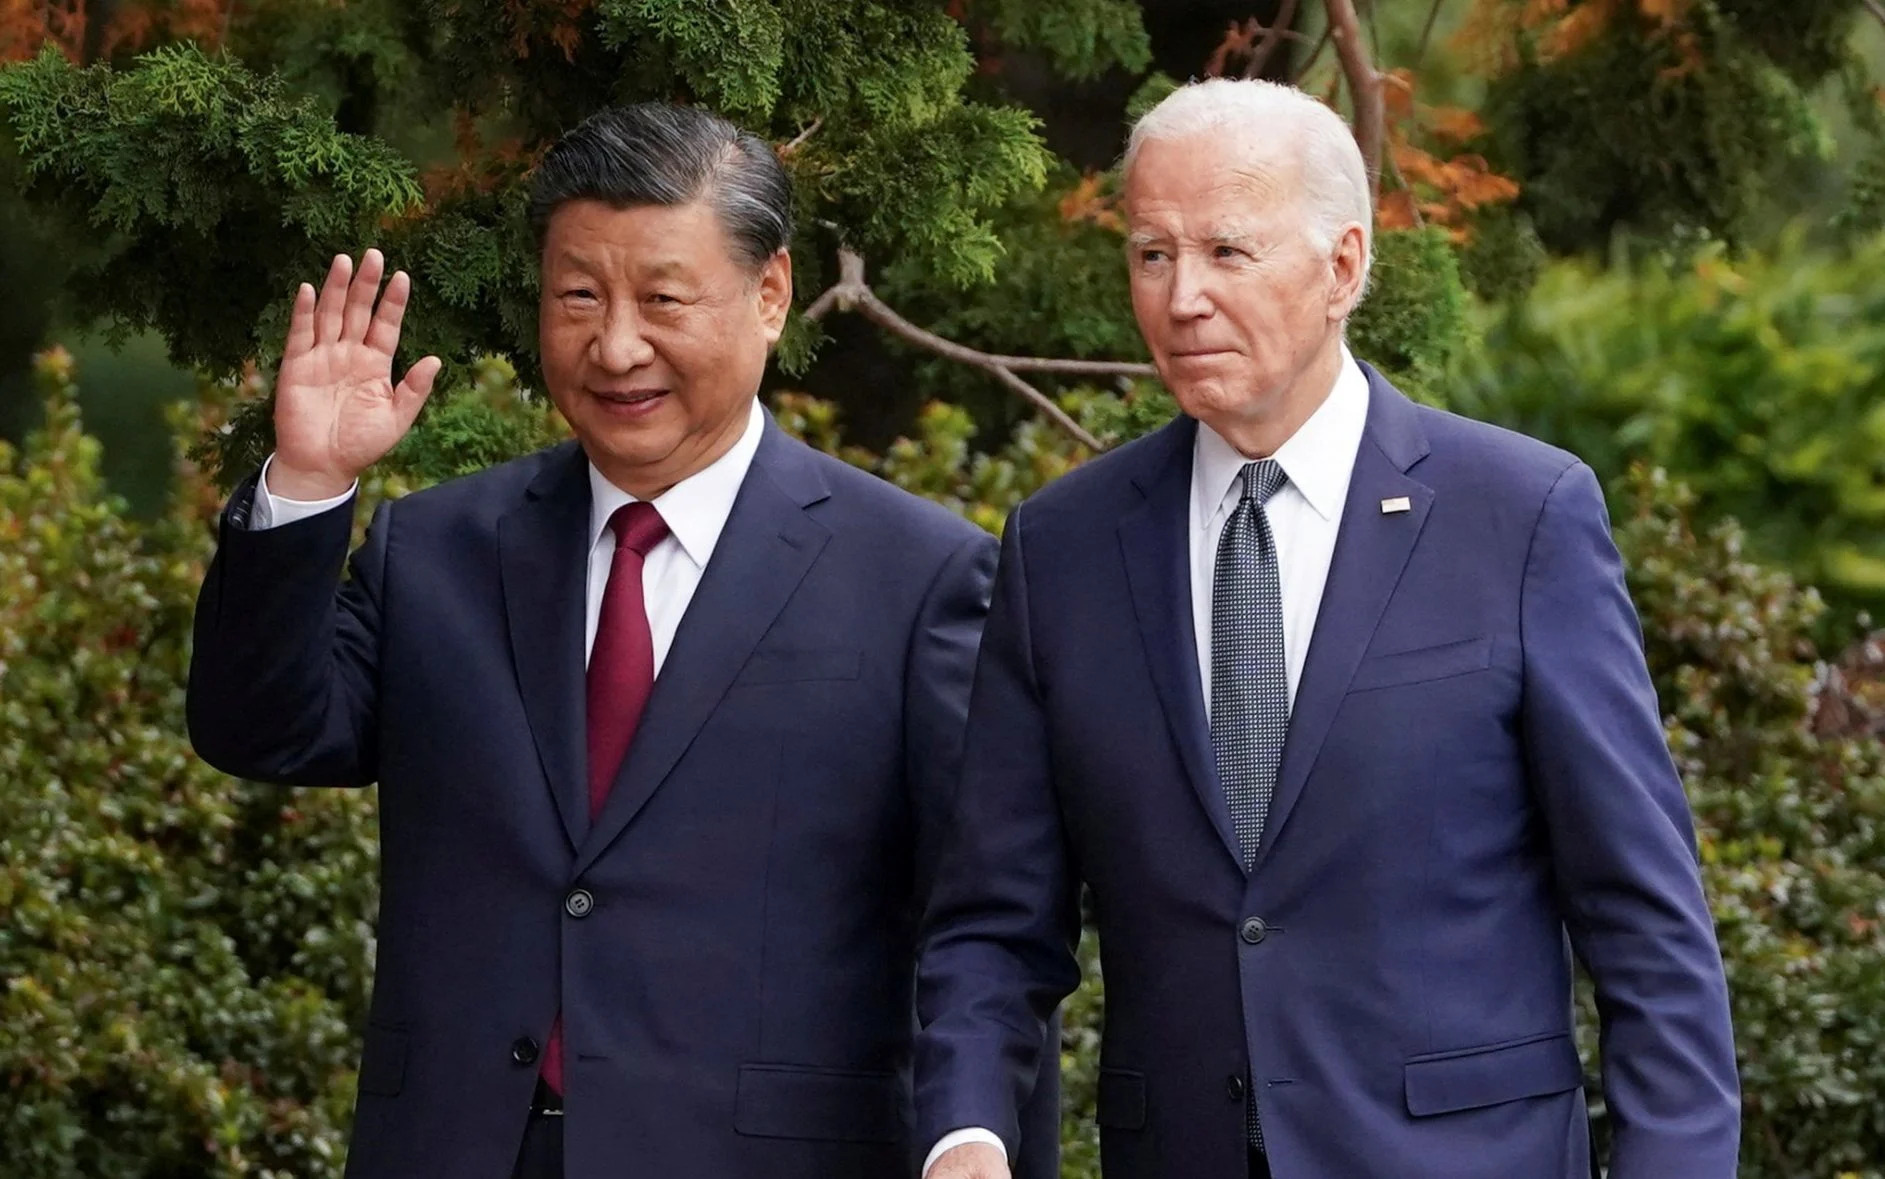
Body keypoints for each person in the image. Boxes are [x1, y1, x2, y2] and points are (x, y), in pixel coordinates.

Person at [187, 102, 1057, 1179]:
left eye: (662, 299)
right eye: (579, 298)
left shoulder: (919, 577)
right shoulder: (440, 550)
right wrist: (310, 486)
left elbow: (984, 921)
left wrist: (974, 1139)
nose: (616, 347)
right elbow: (260, 730)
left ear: (771, 293)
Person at [916, 78, 1739, 1179]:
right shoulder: (1062, 546)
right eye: (1151, 255)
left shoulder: (1518, 516)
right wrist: (963, 1133)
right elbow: (992, 923)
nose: (1182, 297)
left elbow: (1645, 923)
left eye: (1226, 252)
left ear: (1344, 267)